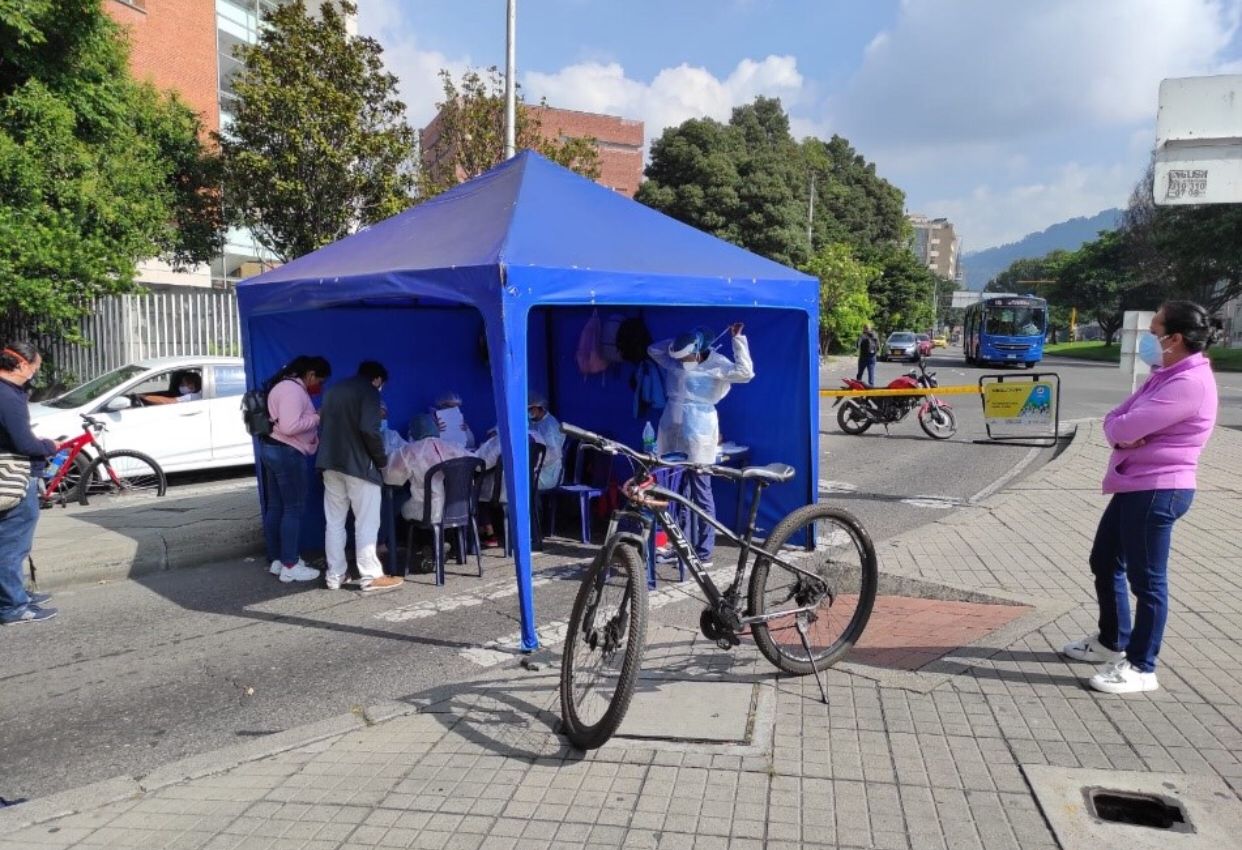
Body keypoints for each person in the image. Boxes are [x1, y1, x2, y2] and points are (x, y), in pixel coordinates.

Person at [1061, 301, 1219, 694]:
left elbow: (1122, 426)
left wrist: (1123, 430)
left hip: (1158, 490)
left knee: (1147, 582)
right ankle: (1112, 640)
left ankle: (1141, 666)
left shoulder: (1188, 383)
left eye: (1155, 332)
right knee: (1104, 560)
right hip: (1138, 485)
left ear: (1175, 339)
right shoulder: (1166, 374)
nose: (1149, 340)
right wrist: (1122, 429)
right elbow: (1117, 419)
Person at [649, 323, 754, 567]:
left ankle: (704, 551)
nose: (682, 360)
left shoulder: (716, 364)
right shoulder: (675, 361)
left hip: (699, 431)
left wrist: (738, 340)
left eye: (686, 355)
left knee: (701, 492)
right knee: (678, 490)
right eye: (680, 356)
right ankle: (681, 545)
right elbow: (653, 350)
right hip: (672, 428)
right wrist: (679, 341)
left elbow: (746, 372)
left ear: (698, 351)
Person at [316, 360, 403, 594]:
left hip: (329, 464)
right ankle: (370, 576)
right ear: (377, 379)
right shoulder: (370, 392)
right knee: (366, 521)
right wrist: (381, 460)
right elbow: (368, 429)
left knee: (334, 522)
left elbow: (323, 424)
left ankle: (335, 575)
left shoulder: (333, 390)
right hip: (359, 466)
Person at [0, 342, 58, 624]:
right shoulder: (8, 397)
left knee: (12, 542)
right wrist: (49, 445)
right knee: (13, 544)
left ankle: (17, 593)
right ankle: (13, 607)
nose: (36, 371)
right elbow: (24, 443)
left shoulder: (8, 392)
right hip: (13, 476)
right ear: (22, 365)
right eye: (36, 366)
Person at [261, 355, 331, 583]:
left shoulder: (282, 386)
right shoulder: (292, 391)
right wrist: (317, 417)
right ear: (310, 374)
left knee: (276, 506)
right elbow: (290, 426)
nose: (318, 386)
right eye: (319, 380)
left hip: (273, 449)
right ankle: (290, 565)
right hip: (287, 453)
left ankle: (277, 560)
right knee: (293, 509)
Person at [527, 393, 564, 491]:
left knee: (520, 483)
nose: (529, 412)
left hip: (549, 473)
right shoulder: (533, 422)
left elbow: (554, 454)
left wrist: (533, 463)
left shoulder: (550, 426)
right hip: (537, 470)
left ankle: (533, 506)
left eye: (531, 409)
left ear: (540, 407)